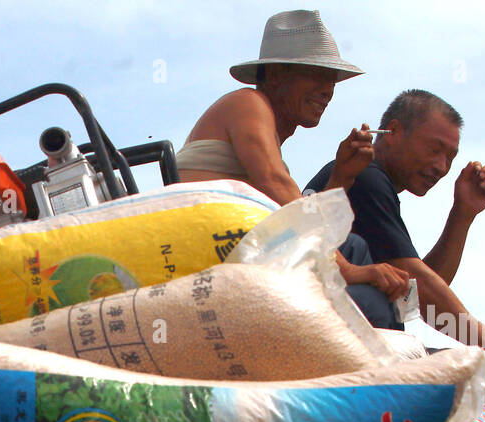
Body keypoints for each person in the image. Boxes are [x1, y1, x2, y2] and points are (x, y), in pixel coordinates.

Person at [176, 10, 411, 326]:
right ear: (275, 75)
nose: (328, 89)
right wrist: (349, 271)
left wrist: (343, 175)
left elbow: (291, 221)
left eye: (332, 79)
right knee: (370, 301)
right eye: (316, 74)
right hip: (204, 258)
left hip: (238, 257)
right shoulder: (248, 103)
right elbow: (275, 184)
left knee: (352, 246)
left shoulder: (267, 134)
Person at [305, 90, 485, 393]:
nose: (442, 166)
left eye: (450, 157)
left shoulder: (375, 181)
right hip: (329, 353)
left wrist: (462, 214)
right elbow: (425, 294)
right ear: (394, 132)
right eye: (434, 149)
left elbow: (415, 298)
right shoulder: (366, 176)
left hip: (343, 347)